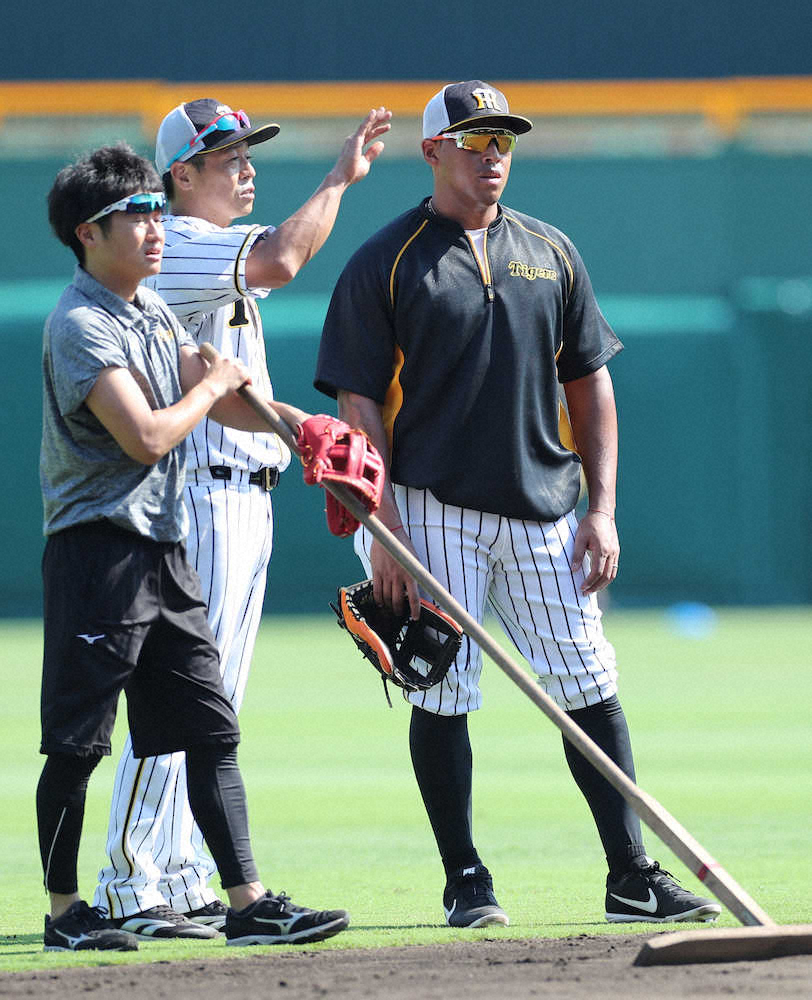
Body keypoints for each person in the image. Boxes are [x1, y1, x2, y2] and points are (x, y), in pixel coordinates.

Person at [314, 80, 722, 928]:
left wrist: (602, 509)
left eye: (502, 139)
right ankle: (466, 877)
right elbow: (356, 406)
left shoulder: (551, 251)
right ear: (433, 152)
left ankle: (631, 876)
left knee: (589, 683)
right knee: (443, 688)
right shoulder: (387, 258)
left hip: (545, 507)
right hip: (431, 506)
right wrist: (379, 525)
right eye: (473, 140)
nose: (492, 154)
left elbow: (591, 385)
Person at [38, 143, 351, 951]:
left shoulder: (151, 310)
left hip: (164, 545)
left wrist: (298, 427)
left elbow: (224, 397)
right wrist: (212, 386)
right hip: (99, 550)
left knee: (210, 727)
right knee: (80, 744)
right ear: (87, 234)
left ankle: (245, 902)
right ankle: (69, 911)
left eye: (152, 210)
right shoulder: (79, 323)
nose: (152, 228)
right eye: (133, 216)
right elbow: (147, 435)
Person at [92, 100, 392, 938]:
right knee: (188, 695)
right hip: (200, 496)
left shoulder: (202, 252)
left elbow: (236, 394)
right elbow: (285, 259)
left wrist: (299, 429)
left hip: (241, 494)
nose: (247, 166)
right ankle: (132, 883)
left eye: (249, 150)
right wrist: (340, 177)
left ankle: (185, 874)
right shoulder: (181, 244)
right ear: (180, 175)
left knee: (215, 703)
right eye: (227, 156)